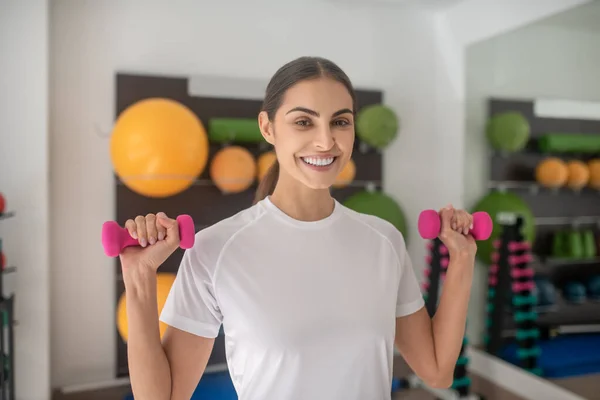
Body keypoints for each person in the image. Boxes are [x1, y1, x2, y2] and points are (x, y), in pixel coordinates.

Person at [120, 56, 477, 400]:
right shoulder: (216, 248)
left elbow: (436, 371)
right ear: (267, 127)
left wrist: (461, 259)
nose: (325, 141)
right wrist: (139, 279)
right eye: (304, 122)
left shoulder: (384, 241)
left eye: (340, 121)